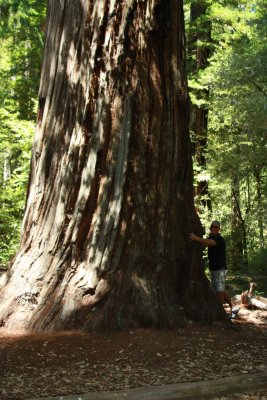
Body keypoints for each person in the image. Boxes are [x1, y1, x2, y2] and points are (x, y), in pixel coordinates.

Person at [189, 220, 233, 314]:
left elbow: (210, 243)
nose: (213, 228)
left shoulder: (219, 238)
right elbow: (206, 243)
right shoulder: (212, 236)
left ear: (219, 229)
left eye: (216, 227)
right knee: (220, 288)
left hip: (220, 269)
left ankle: (221, 311)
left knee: (219, 290)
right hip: (214, 268)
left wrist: (195, 238)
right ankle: (232, 307)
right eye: (212, 227)